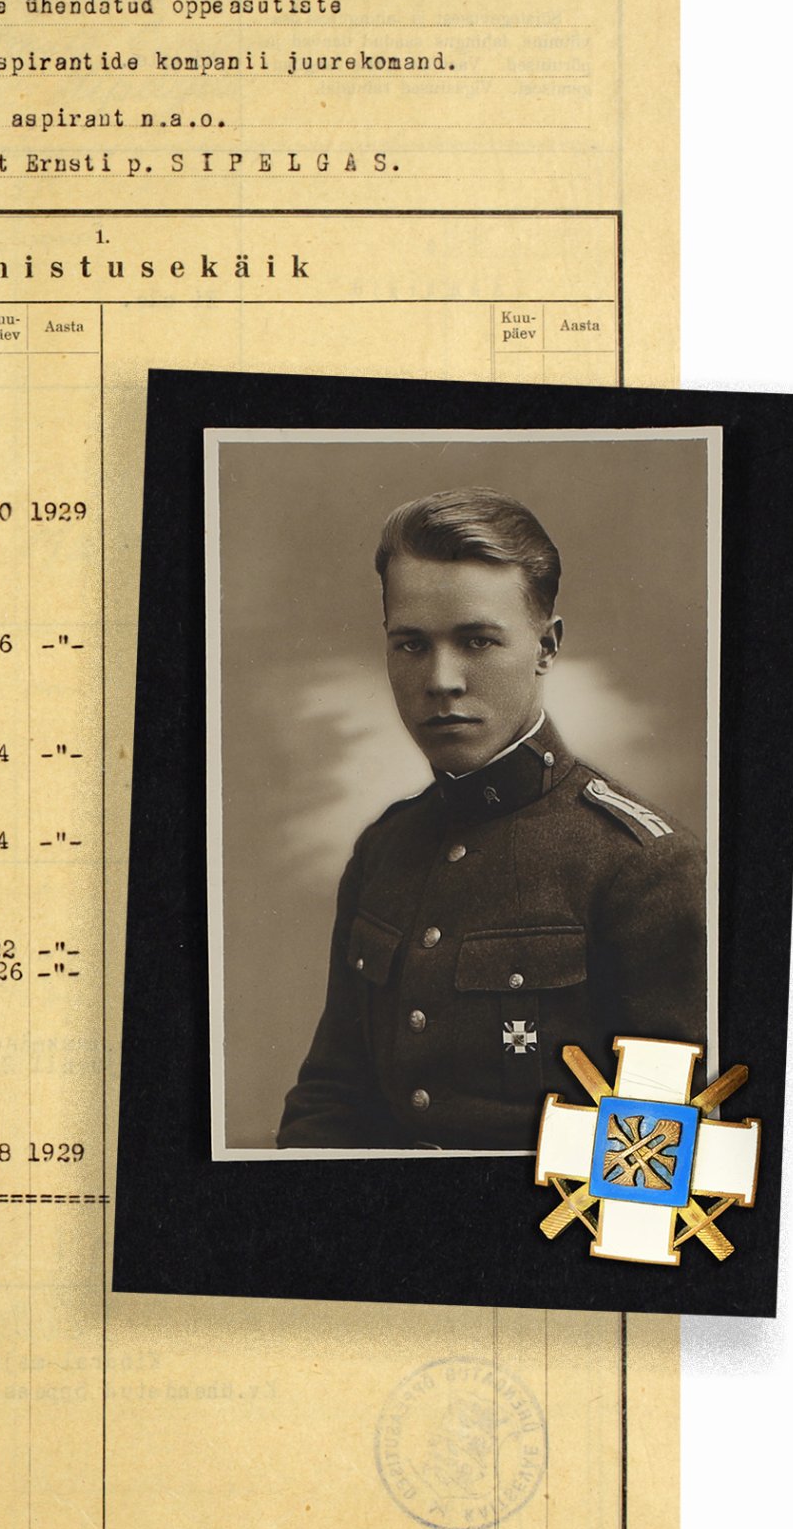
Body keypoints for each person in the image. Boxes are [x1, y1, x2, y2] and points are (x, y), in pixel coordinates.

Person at [277, 487, 706, 1151]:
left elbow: (654, 1162)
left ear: (546, 647)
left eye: (476, 641)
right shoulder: (385, 849)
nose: (441, 679)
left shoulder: (644, 866)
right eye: (410, 645)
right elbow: (330, 1101)